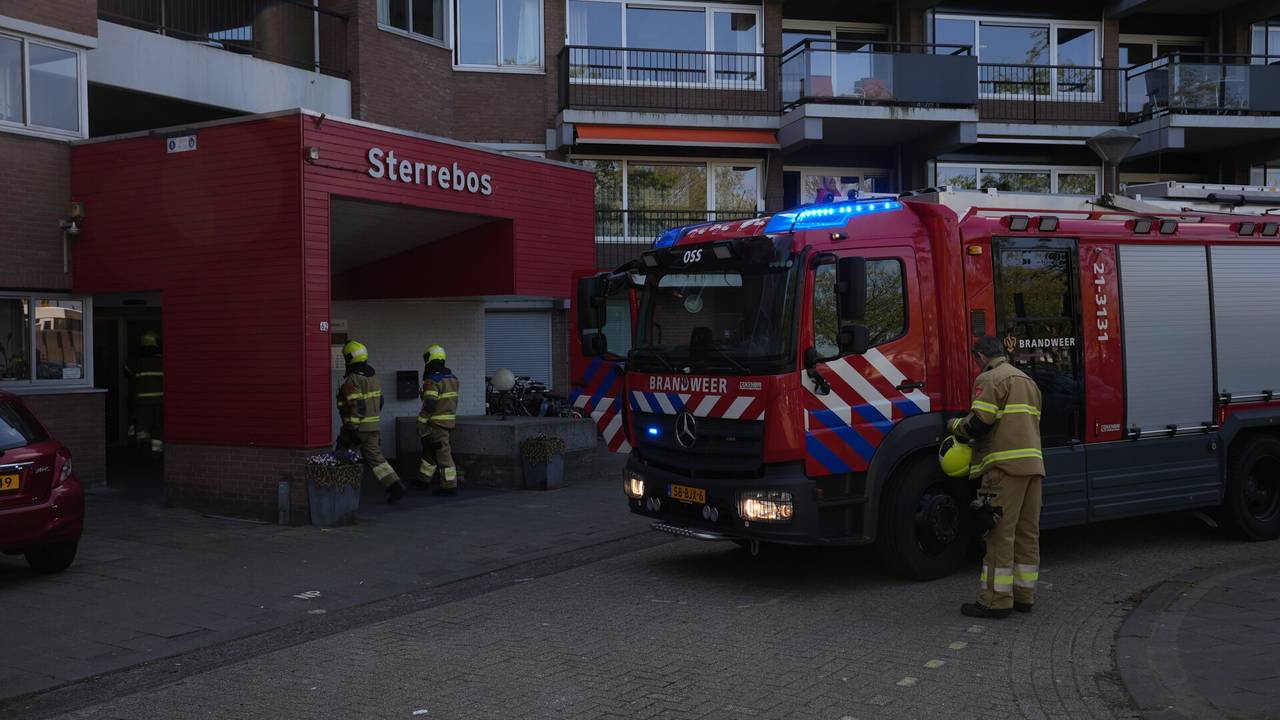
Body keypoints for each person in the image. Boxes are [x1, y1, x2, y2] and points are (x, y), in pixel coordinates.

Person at [948, 336, 1045, 619]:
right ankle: (1024, 596)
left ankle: (995, 601)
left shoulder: (990, 379)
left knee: (999, 534)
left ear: (980, 356)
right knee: (1028, 534)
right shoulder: (1028, 381)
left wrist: (954, 424)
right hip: (1033, 466)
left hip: (1003, 469)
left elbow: (978, 424)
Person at [336, 340, 406, 504]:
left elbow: (356, 406)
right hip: (373, 427)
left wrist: (352, 429)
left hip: (356, 429)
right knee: (377, 460)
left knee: (342, 458)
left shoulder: (353, 379)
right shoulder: (373, 376)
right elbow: (379, 401)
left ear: (349, 358)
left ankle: (340, 492)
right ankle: (395, 486)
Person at [416, 344, 460, 496]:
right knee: (429, 452)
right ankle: (423, 479)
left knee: (442, 453)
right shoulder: (452, 378)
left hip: (435, 423)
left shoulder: (432, 380)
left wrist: (421, 422)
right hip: (447, 421)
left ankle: (449, 485)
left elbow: (430, 404)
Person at [125, 330, 164, 459]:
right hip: (159, 401)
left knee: (142, 429)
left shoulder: (137, 360)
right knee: (157, 428)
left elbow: (126, 371)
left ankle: (143, 453)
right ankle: (156, 454)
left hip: (142, 403)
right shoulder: (162, 360)